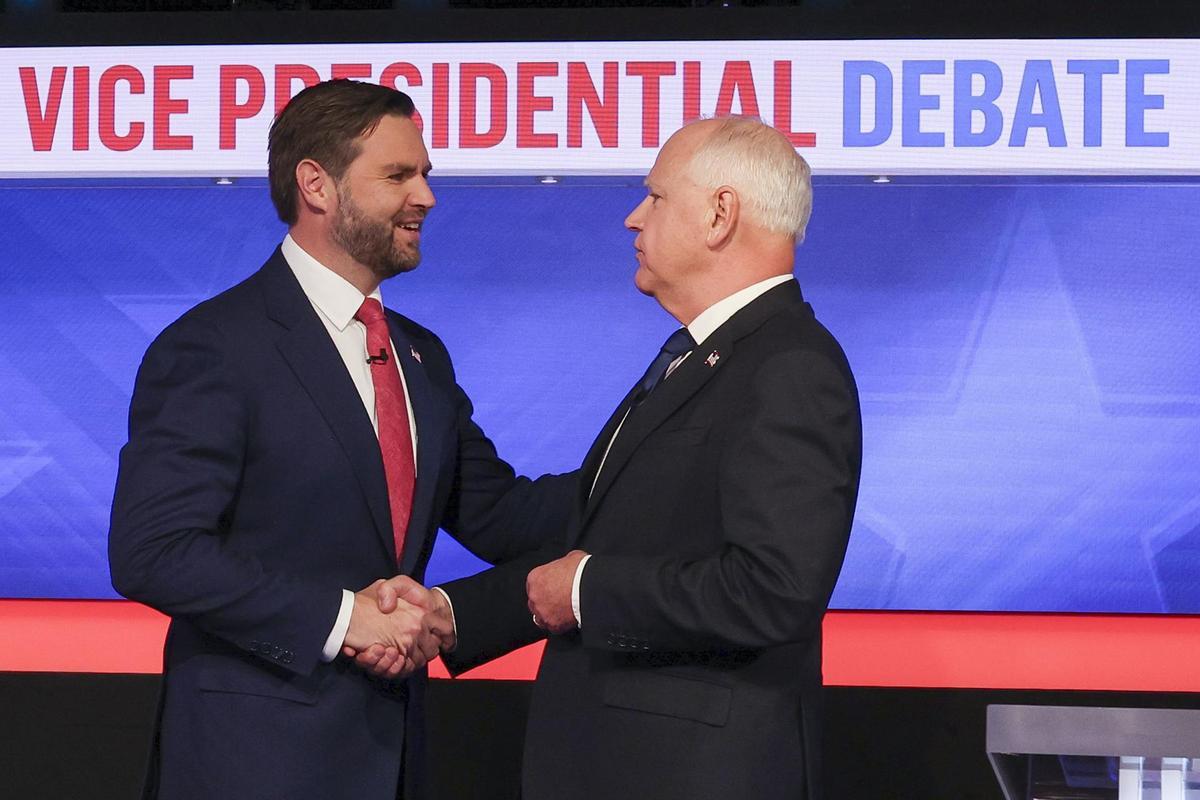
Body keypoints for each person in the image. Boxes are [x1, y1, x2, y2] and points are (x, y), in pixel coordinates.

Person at [108, 79, 571, 800]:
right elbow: (154, 552)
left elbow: (500, 514)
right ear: (317, 186)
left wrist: (643, 468)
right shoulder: (216, 346)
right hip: (250, 765)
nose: (426, 197)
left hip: (390, 758)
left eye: (425, 174)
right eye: (398, 175)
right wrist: (343, 618)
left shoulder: (421, 356)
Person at [408, 117, 862, 800]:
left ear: (719, 214)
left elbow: (772, 592)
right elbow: (587, 527)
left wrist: (587, 593)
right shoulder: (705, 358)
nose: (632, 218)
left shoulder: (789, 367)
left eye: (655, 197)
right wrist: (453, 612)